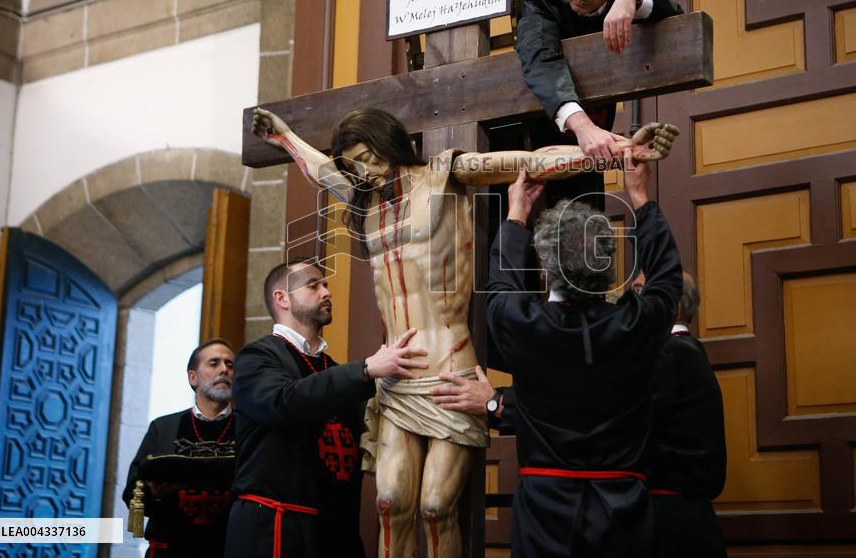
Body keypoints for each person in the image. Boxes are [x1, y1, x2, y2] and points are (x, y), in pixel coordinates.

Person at [251, 107, 678, 558]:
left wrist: (619, 151)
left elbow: (531, 163)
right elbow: (322, 171)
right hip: (396, 376)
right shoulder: (365, 196)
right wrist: (284, 136)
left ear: (388, 144)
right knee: (387, 501)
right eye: (354, 163)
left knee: (436, 507)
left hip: (449, 367)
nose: (364, 171)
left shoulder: (443, 174)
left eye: (369, 157)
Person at [485, 158, 682, 557]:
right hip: (623, 508)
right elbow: (666, 278)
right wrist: (640, 196)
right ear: (608, 265)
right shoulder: (637, 325)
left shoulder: (521, 324)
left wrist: (516, 214)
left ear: (544, 269)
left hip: (544, 509)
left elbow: (501, 282)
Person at [225, 258, 427, 558]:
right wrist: (367, 369)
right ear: (281, 298)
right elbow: (284, 401)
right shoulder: (256, 358)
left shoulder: (334, 371)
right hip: (276, 528)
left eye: (327, 285)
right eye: (313, 285)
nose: (326, 292)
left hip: (334, 530)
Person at [516, 0, 683, 204]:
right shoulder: (542, 1)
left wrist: (632, 0)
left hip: (592, 151)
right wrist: (583, 127)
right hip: (537, 146)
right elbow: (541, 61)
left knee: (589, 233)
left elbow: (677, 18)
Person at [122, 339, 237, 558]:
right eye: (214, 364)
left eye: (230, 365)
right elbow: (133, 489)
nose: (224, 369)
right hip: (171, 547)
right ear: (193, 377)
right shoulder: (163, 427)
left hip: (229, 548)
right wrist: (156, 495)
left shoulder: (251, 429)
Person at [643, 271, 727, 557]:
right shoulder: (685, 352)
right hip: (686, 520)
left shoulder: (668, 356)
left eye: (641, 289)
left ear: (674, 304)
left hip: (670, 527)